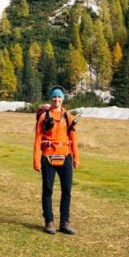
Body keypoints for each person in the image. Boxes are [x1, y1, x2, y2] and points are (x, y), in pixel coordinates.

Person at [33, 86, 80, 234]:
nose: (57, 99)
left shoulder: (68, 116)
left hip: (65, 156)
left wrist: (76, 158)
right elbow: (38, 139)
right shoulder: (44, 116)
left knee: (67, 190)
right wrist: (36, 160)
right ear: (50, 98)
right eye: (54, 97)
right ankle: (49, 222)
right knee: (48, 190)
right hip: (48, 157)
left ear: (63, 99)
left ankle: (64, 223)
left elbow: (73, 138)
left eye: (59, 97)